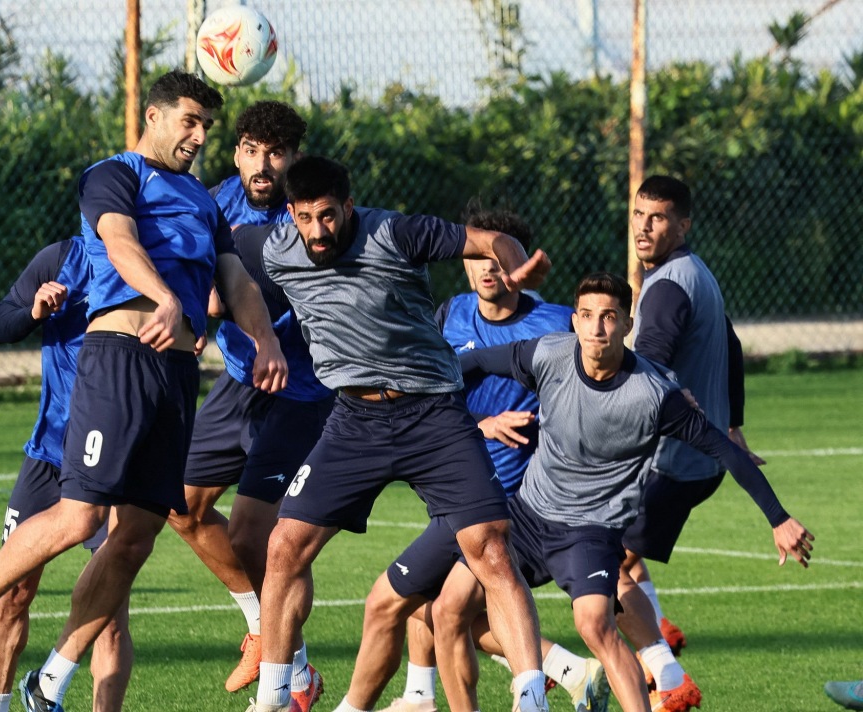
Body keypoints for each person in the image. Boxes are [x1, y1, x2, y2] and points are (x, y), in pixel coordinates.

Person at [0, 70, 288, 712]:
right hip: (119, 359)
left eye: (206, 125)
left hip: (176, 377)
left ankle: (52, 679)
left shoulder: (205, 202)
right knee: (81, 516)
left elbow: (236, 281)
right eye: (189, 121)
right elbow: (119, 241)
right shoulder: (115, 174)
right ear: (154, 117)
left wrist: (267, 341)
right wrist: (166, 297)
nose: (199, 136)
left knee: (138, 535)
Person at [248, 155, 554, 712]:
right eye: (306, 218)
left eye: (328, 215)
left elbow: (489, 240)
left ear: (348, 205)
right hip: (353, 421)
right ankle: (273, 698)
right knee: (284, 545)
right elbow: (224, 263)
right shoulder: (275, 250)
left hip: (433, 414)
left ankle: (532, 699)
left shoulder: (395, 232)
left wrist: (514, 263)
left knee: (489, 549)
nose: (319, 231)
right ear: (290, 215)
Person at [438, 271, 813, 712]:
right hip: (528, 515)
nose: (596, 328)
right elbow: (478, 362)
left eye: (609, 317)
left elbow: (724, 450)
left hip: (590, 530)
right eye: (587, 315)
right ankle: (564, 671)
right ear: (574, 321)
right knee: (448, 610)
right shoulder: (549, 354)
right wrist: (425, 390)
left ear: (627, 325)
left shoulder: (655, 395)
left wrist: (779, 518)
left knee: (595, 625)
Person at [369, 207, 605, 712]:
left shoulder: (555, 324)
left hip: (514, 502)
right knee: (428, 602)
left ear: (517, 265)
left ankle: (431, 695)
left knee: (441, 607)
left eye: (499, 259)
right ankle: (428, 693)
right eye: (478, 257)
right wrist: (483, 424)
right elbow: (425, 392)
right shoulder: (450, 315)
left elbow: (594, 388)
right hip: (453, 482)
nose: (487, 269)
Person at [165, 101, 330, 706]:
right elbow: (192, 275)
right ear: (235, 152)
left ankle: (289, 673)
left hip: (301, 390)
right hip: (238, 381)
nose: (263, 165)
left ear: (294, 159)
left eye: (276, 154)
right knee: (180, 505)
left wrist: (224, 296)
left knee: (259, 537)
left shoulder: (311, 217)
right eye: (252, 151)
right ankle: (267, 631)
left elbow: (248, 290)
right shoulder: (211, 203)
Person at [0, 236, 132, 712]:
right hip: (47, 456)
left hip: (111, 463)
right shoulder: (61, 258)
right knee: (12, 592)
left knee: (108, 618)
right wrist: (34, 311)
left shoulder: (147, 265)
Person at [620, 175, 767, 655]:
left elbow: (648, 366)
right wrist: (734, 425)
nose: (644, 227)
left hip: (669, 463)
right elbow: (732, 345)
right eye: (639, 214)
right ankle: (660, 632)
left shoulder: (667, 288)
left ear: (683, 225)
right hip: (696, 459)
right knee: (618, 552)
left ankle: (664, 676)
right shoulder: (695, 272)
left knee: (600, 567)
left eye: (658, 218)